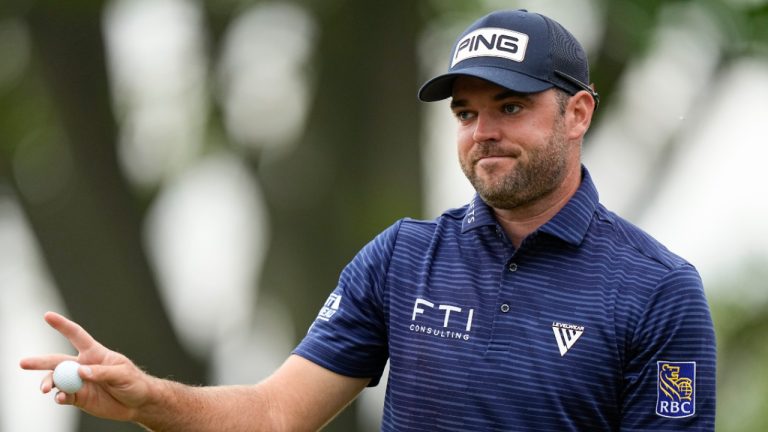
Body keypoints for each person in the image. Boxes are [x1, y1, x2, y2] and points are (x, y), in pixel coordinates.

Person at [20, 9, 716, 431]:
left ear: (579, 112)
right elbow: (272, 416)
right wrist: (149, 399)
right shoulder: (403, 259)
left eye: (511, 107)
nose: (484, 132)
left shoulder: (657, 291)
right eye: (467, 114)